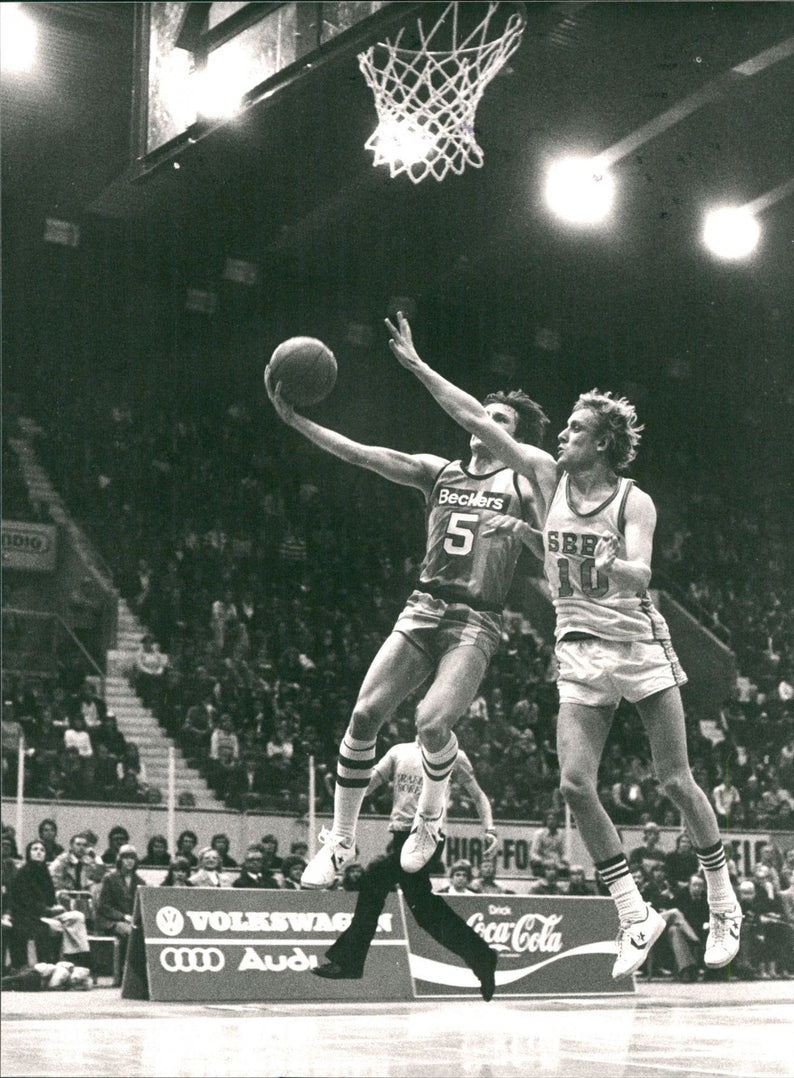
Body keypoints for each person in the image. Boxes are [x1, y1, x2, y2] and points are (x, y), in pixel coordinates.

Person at [387, 311, 742, 978]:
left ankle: (725, 902)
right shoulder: (547, 477)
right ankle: (634, 913)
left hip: (637, 642)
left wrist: (621, 568)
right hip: (577, 649)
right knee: (575, 786)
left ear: (603, 442)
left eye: (577, 427)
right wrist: (415, 365)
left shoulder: (634, 500)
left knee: (676, 781)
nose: (564, 434)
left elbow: (642, 566)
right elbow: (476, 418)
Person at [266, 353, 548, 889]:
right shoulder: (436, 472)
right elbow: (361, 454)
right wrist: (297, 421)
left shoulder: (525, 483)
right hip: (424, 606)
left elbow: (552, 539)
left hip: (477, 618)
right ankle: (341, 840)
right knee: (365, 713)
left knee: (431, 725)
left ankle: (431, 818)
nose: (483, 423)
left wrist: (526, 530)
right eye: (482, 414)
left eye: (500, 420)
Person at [311, 738, 499, 1001]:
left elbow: (478, 796)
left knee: (375, 876)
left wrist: (489, 829)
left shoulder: (454, 756)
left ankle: (348, 961)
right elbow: (368, 784)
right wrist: (341, 791)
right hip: (400, 838)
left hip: (428, 838)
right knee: (424, 911)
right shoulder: (398, 752)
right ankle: (482, 957)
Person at [8, 841, 91, 972]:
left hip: (49, 912)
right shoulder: (22, 873)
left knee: (77, 917)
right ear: (29, 853)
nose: (39, 852)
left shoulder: (44, 871)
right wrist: (49, 910)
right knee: (54, 926)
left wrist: (57, 905)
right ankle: (65, 962)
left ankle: (79, 957)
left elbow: (50, 898)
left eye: (42, 850)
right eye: (35, 849)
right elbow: (25, 902)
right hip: (31, 915)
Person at [95, 845, 146, 974]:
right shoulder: (109, 878)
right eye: (126, 858)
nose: (129, 861)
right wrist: (122, 917)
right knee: (129, 932)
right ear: (120, 860)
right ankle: (125, 972)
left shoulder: (140, 881)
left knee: (142, 932)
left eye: (132, 858)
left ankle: (140, 972)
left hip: (132, 921)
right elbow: (103, 906)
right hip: (109, 921)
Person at [529, 809, 569, 878]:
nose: (551, 821)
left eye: (554, 819)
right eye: (549, 819)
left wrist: (564, 861)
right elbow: (533, 854)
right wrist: (544, 861)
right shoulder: (539, 834)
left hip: (556, 864)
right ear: (546, 821)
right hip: (543, 863)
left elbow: (563, 852)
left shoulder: (561, 834)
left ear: (557, 821)